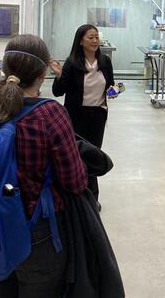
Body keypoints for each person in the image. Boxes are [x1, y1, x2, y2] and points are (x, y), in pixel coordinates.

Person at [0, 34, 88, 297]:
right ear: (43, 73)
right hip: (36, 233)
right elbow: (74, 181)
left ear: (5, 65)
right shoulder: (49, 114)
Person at [51, 24, 115, 205]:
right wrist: (59, 75)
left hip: (98, 116)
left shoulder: (105, 62)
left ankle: (92, 199)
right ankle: (81, 199)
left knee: (93, 155)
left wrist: (115, 92)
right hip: (76, 116)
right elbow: (58, 92)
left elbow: (112, 87)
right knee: (78, 156)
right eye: (90, 37)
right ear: (81, 41)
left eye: (96, 37)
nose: (95, 41)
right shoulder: (72, 63)